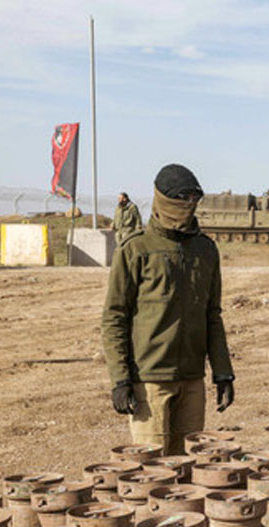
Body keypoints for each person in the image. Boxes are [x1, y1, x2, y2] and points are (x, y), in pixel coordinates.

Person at [101, 164, 235, 456]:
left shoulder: (206, 250)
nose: (188, 206)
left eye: (193, 199)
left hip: (192, 379)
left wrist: (223, 372)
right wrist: (120, 380)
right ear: (163, 199)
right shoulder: (136, 250)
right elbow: (114, 317)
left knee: (191, 470)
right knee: (151, 474)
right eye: (182, 198)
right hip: (149, 381)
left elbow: (212, 315)